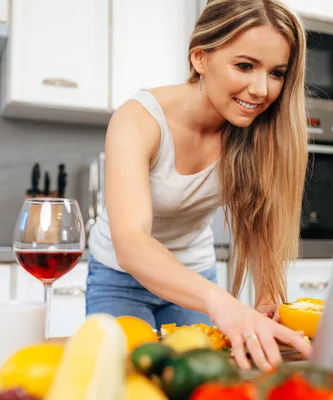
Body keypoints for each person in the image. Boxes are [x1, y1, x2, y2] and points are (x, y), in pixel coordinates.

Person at [85, 0, 311, 371]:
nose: (261, 89)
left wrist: (269, 298)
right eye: (244, 65)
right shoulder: (139, 119)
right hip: (118, 276)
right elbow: (132, 243)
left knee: (201, 383)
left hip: (194, 274)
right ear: (200, 58)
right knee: (123, 381)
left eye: (276, 72)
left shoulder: (257, 133)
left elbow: (262, 223)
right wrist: (223, 302)